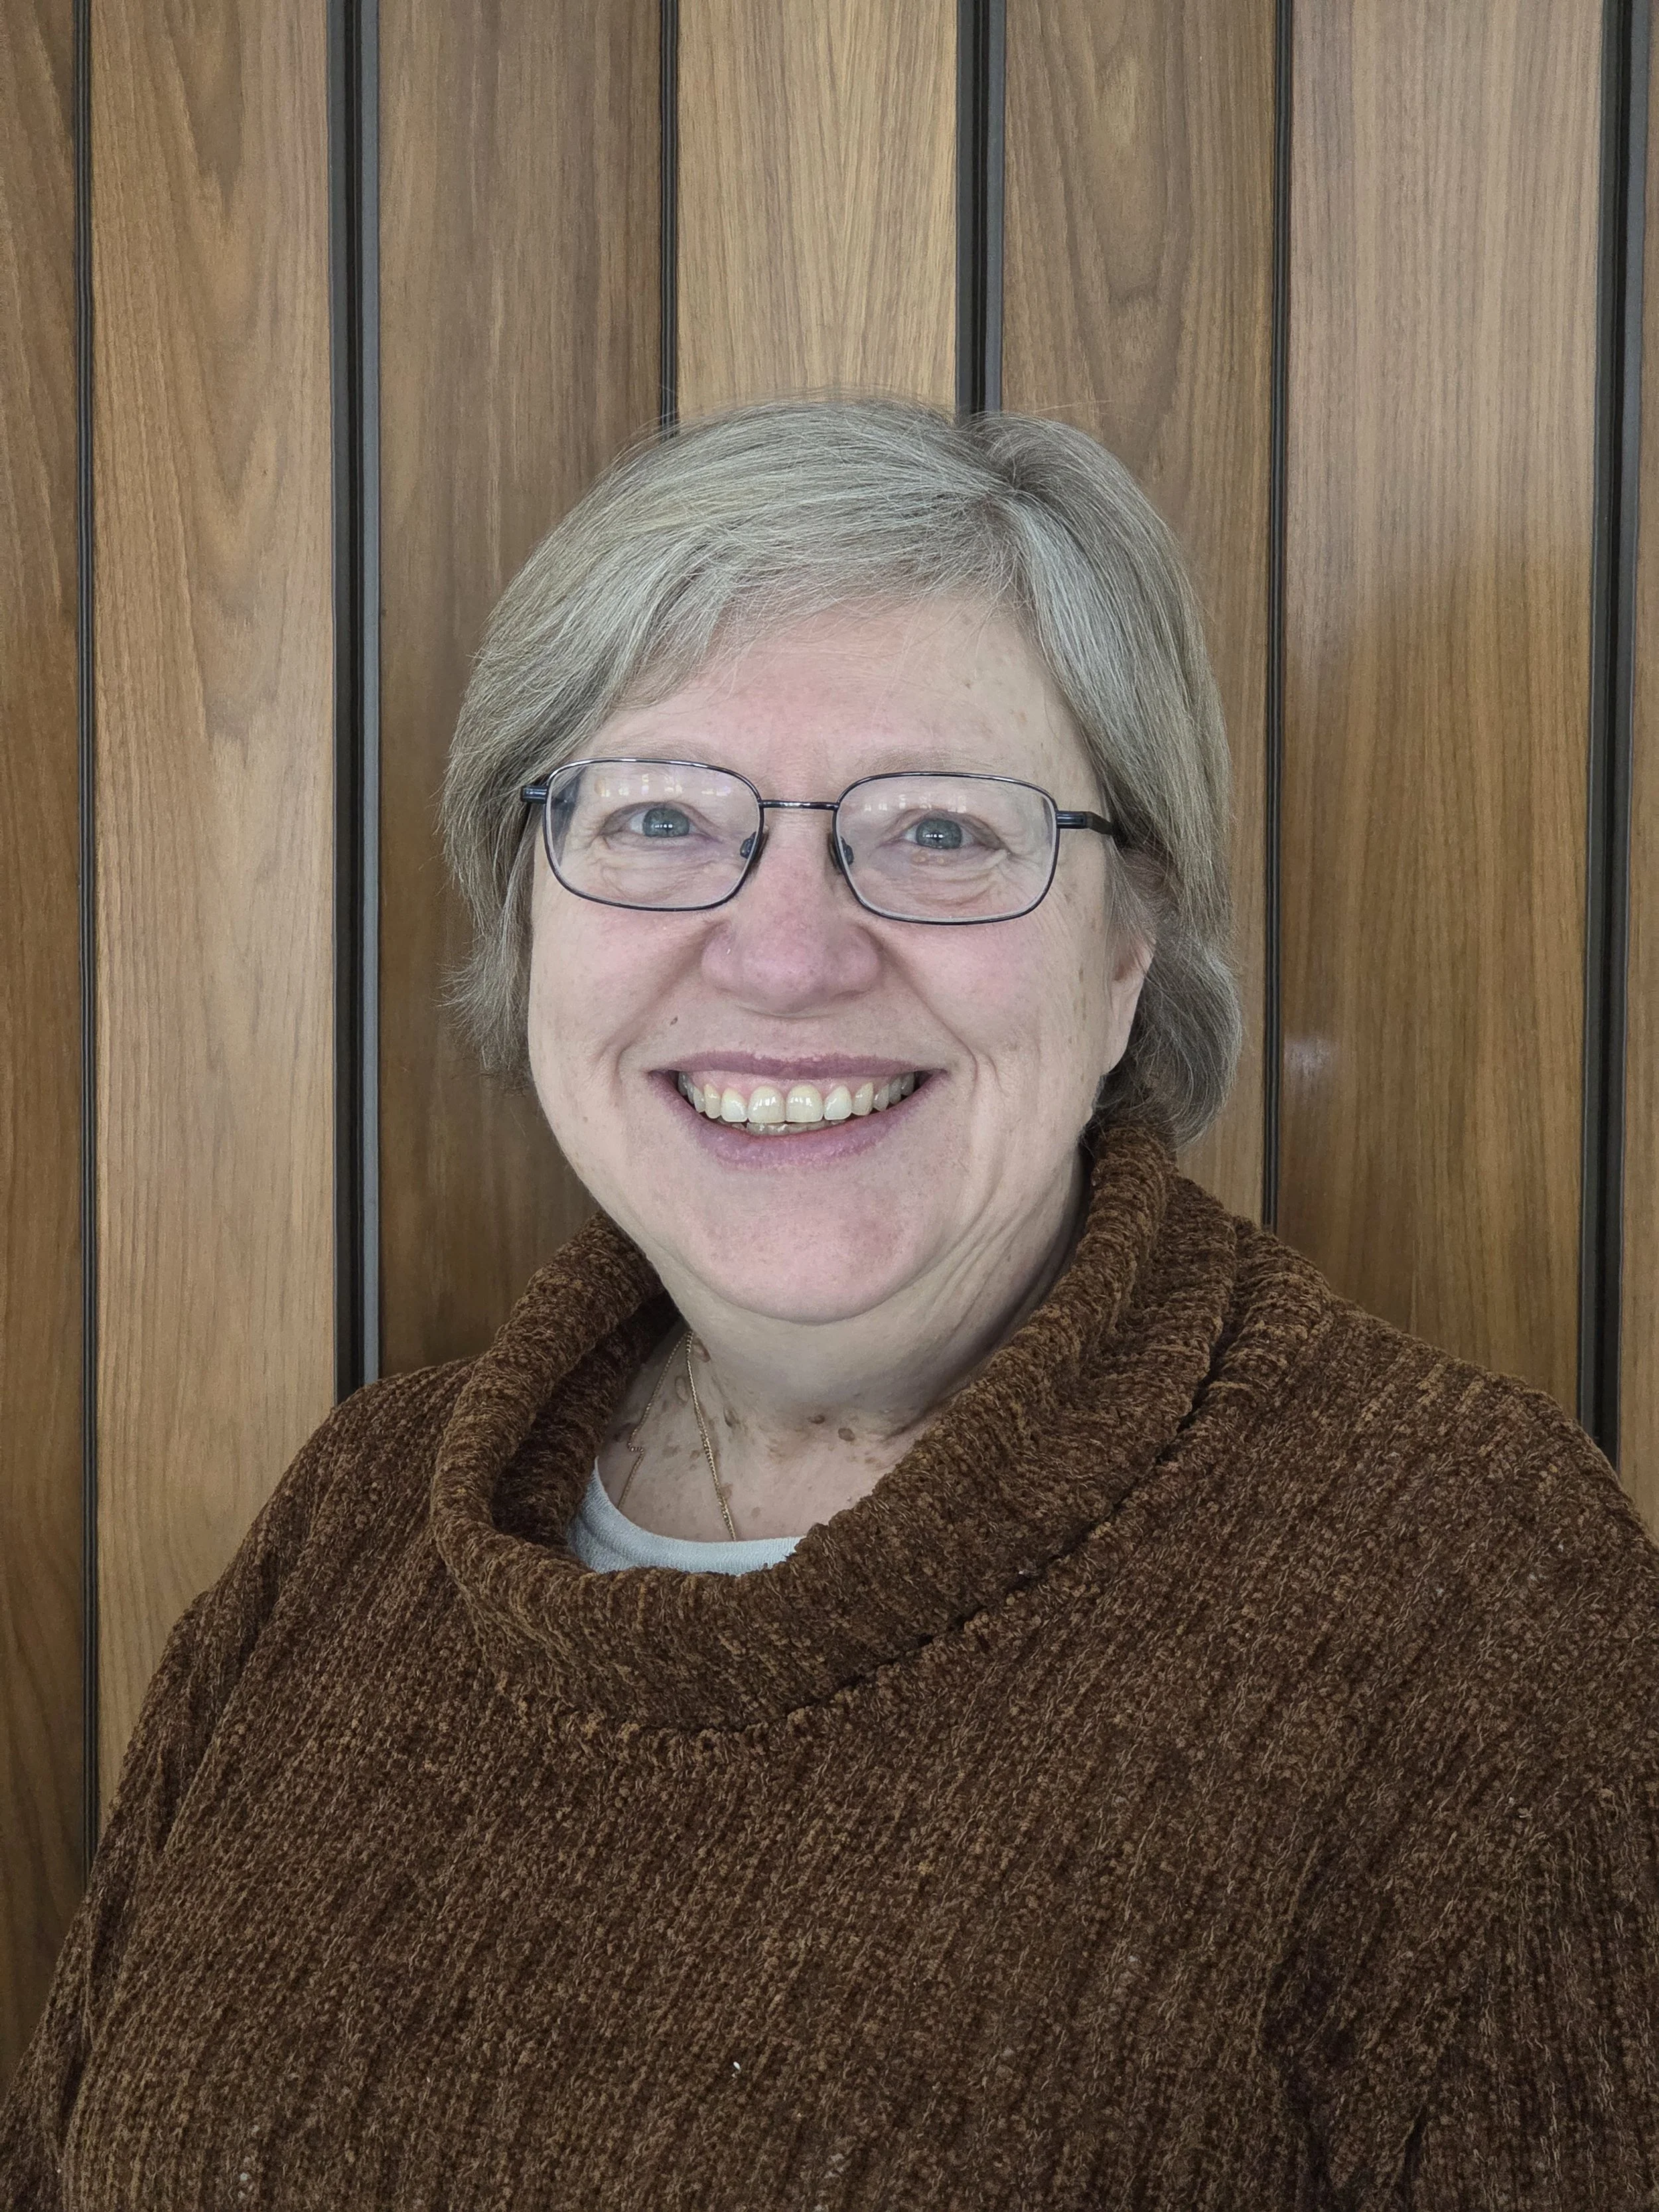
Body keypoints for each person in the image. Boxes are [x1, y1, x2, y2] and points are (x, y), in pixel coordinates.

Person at [3, 398, 1655, 2209]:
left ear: (1125, 951)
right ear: (527, 917)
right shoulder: (358, 1519)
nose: (787, 955)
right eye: (659, 814)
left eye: (940, 830)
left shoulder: (1464, 1597)